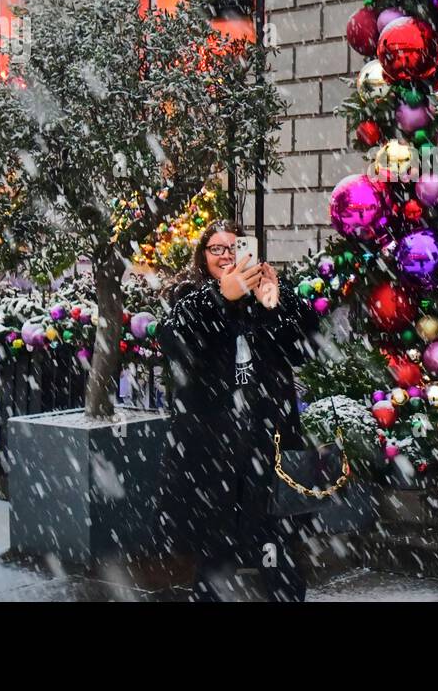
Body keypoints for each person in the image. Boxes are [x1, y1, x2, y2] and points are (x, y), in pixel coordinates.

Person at [155, 220, 320, 601]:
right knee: (215, 553)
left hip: (268, 443)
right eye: (216, 248)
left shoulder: (268, 294)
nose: (226, 255)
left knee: (279, 551)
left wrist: (276, 307)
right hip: (213, 448)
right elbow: (178, 347)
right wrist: (220, 297)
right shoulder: (189, 297)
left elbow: (305, 347)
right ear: (203, 256)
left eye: (234, 247)